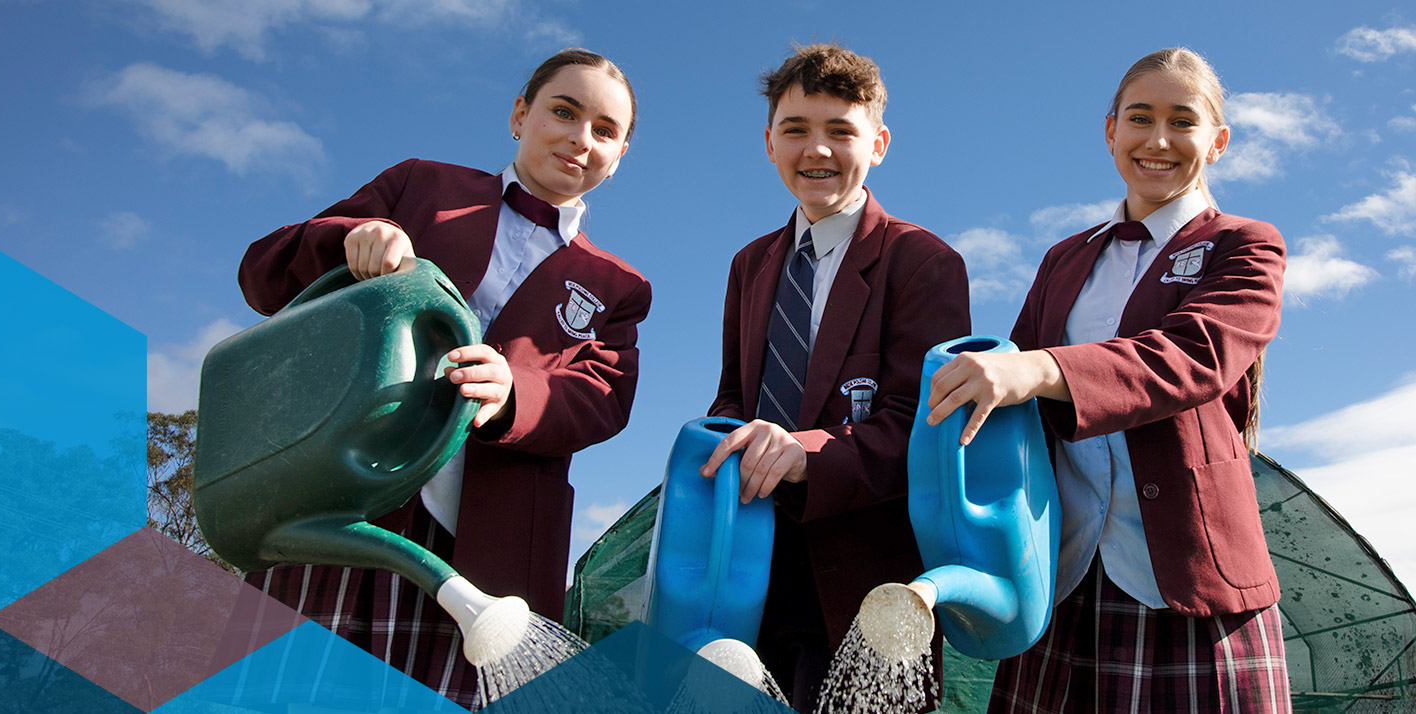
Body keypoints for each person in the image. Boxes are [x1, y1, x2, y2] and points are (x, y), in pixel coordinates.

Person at [235, 49, 651, 709]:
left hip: (485, 543)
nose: (580, 138)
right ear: (520, 116)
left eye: (604, 130)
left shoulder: (620, 286)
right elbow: (263, 273)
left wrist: (516, 390)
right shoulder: (420, 186)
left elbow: (605, 397)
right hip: (344, 507)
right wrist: (350, 237)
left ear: (621, 152)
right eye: (564, 112)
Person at [924, 47, 1289, 713]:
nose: (1157, 140)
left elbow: (1193, 356)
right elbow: (1013, 411)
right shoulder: (1064, 259)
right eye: (1139, 118)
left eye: (1183, 121)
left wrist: (1042, 367)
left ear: (1219, 141)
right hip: (1062, 576)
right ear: (1109, 130)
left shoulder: (1247, 244)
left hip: (1185, 577)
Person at [699, 42, 969, 712]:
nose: (816, 150)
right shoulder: (749, 264)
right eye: (796, 130)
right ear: (768, 142)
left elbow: (922, 423)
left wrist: (806, 456)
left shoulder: (923, 260)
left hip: (869, 581)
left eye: (840, 132)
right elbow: (735, 394)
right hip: (751, 573)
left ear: (877, 143)